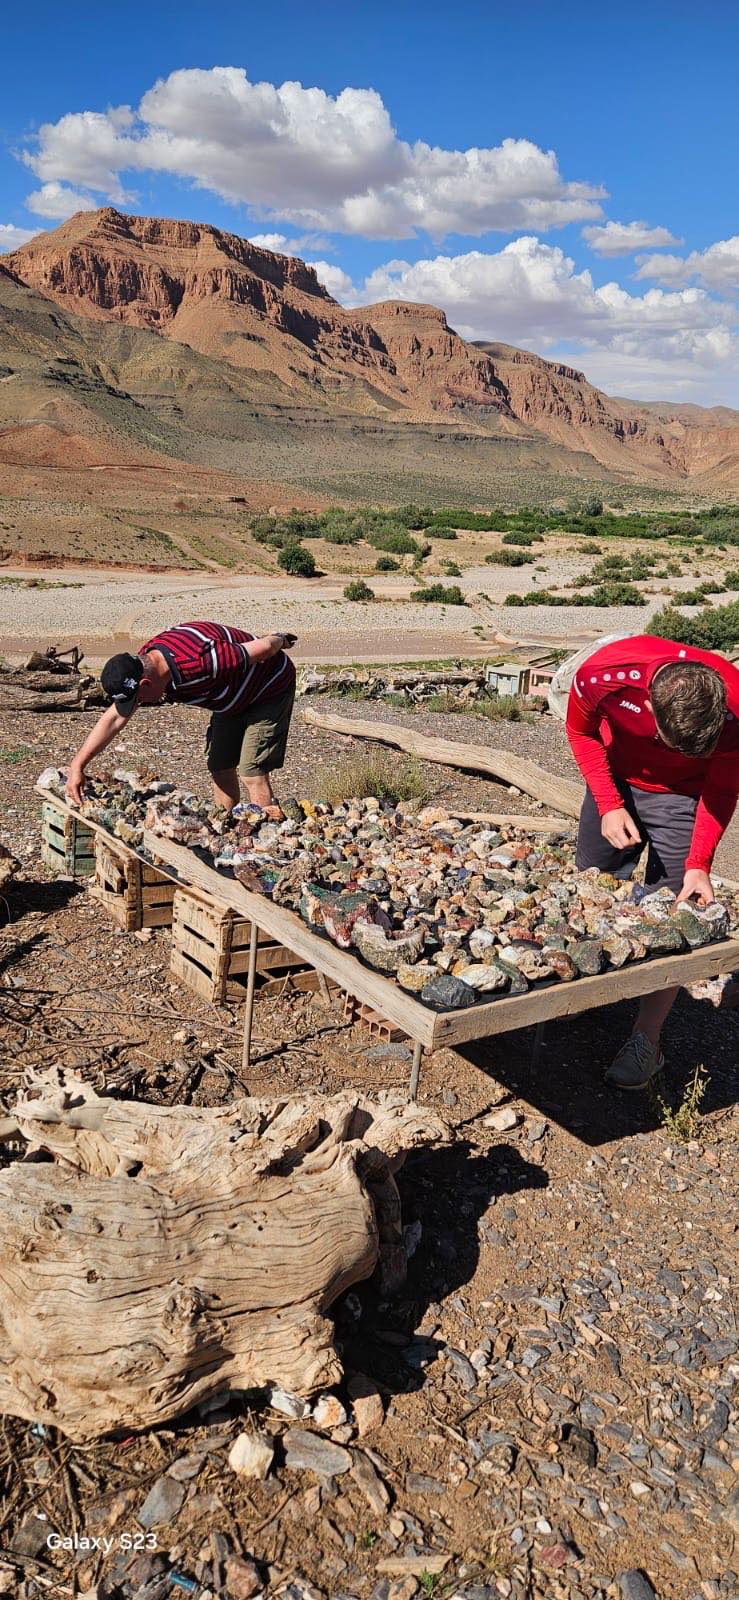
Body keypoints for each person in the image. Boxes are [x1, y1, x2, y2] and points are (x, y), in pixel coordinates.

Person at [566, 633, 739, 1089]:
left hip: (685, 794)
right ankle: (579, 988)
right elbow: (581, 732)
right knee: (593, 884)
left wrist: (699, 862)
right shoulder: (603, 676)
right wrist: (607, 802)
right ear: (651, 712)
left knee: (675, 911)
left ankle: (647, 1041)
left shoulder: (737, 710)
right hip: (617, 776)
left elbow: (721, 789)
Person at [66, 621, 297, 818]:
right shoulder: (143, 663)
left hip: (269, 688)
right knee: (220, 766)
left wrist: (280, 638)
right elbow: (115, 717)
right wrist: (77, 766)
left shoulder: (203, 661)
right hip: (230, 697)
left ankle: (264, 841)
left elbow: (266, 647)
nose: (138, 705)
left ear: (145, 684)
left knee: (252, 771)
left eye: (137, 700)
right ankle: (226, 828)